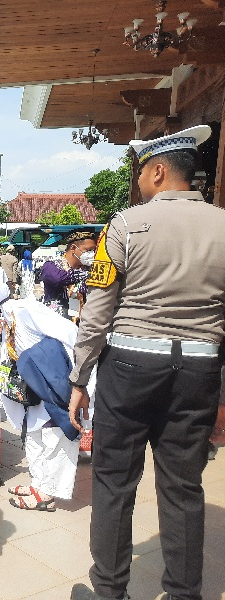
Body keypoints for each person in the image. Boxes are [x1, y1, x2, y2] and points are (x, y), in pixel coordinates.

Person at [68, 125, 225, 600]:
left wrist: (80, 376)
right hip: (200, 369)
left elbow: (98, 309)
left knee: (114, 481)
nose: (138, 183)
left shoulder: (125, 225)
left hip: (132, 366)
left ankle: (109, 590)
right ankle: (184, 593)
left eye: (141, 173)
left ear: (159, 171)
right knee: (183, 486)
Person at [0, 280, 82, 511]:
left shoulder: (25, 309)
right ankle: (39, 483)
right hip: (32, 388)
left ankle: (48, 494)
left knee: (55, 436)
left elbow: (70, 332)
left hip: (50, 386)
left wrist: (72, 376)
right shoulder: (7, 315)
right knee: (34, 435)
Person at [39, 231, 96, 321]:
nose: (92, 254)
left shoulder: (90, 270)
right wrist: (81, 275)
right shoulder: (52, 265)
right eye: (88, 250)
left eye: (93, 251)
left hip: (82, 323)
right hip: (55, 322)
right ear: (73, 248)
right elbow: (57, 279)